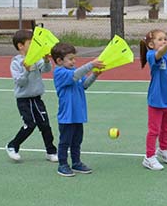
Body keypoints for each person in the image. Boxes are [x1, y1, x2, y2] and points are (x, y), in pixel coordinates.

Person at [50, 42, 105, 177]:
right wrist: (91, 64)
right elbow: (75, 76)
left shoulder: (74, 72)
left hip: (77, 114)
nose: (74, 61)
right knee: (65, 141)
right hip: (67, 116)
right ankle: (62, 164)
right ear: (59, 61)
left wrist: (95, 75)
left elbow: (84, 85)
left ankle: (76, 162)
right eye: (70, 59)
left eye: (74, 58)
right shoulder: (60, 72)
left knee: (77, 141)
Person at [6, 29, 58, 163]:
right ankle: (12, 146)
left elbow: (46, 70)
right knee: (30, 125)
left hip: (36, 98)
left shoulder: (37, 58)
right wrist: (26, 71)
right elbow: (20, 82)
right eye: (31, 43)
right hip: (23, 100)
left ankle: (51, 152)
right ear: (20, 46)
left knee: (45, 125)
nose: (34, 46)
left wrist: (46, 61)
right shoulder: (16, 62)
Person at [140, 29, 167, 171]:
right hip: (157, 99)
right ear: (151, 44)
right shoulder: (151, 55)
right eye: (160, 39)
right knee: (154, 130)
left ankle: (163, 150)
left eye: (165, 38)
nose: (164, 41)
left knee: (166, 127)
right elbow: (159, 54)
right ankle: (149, 157)